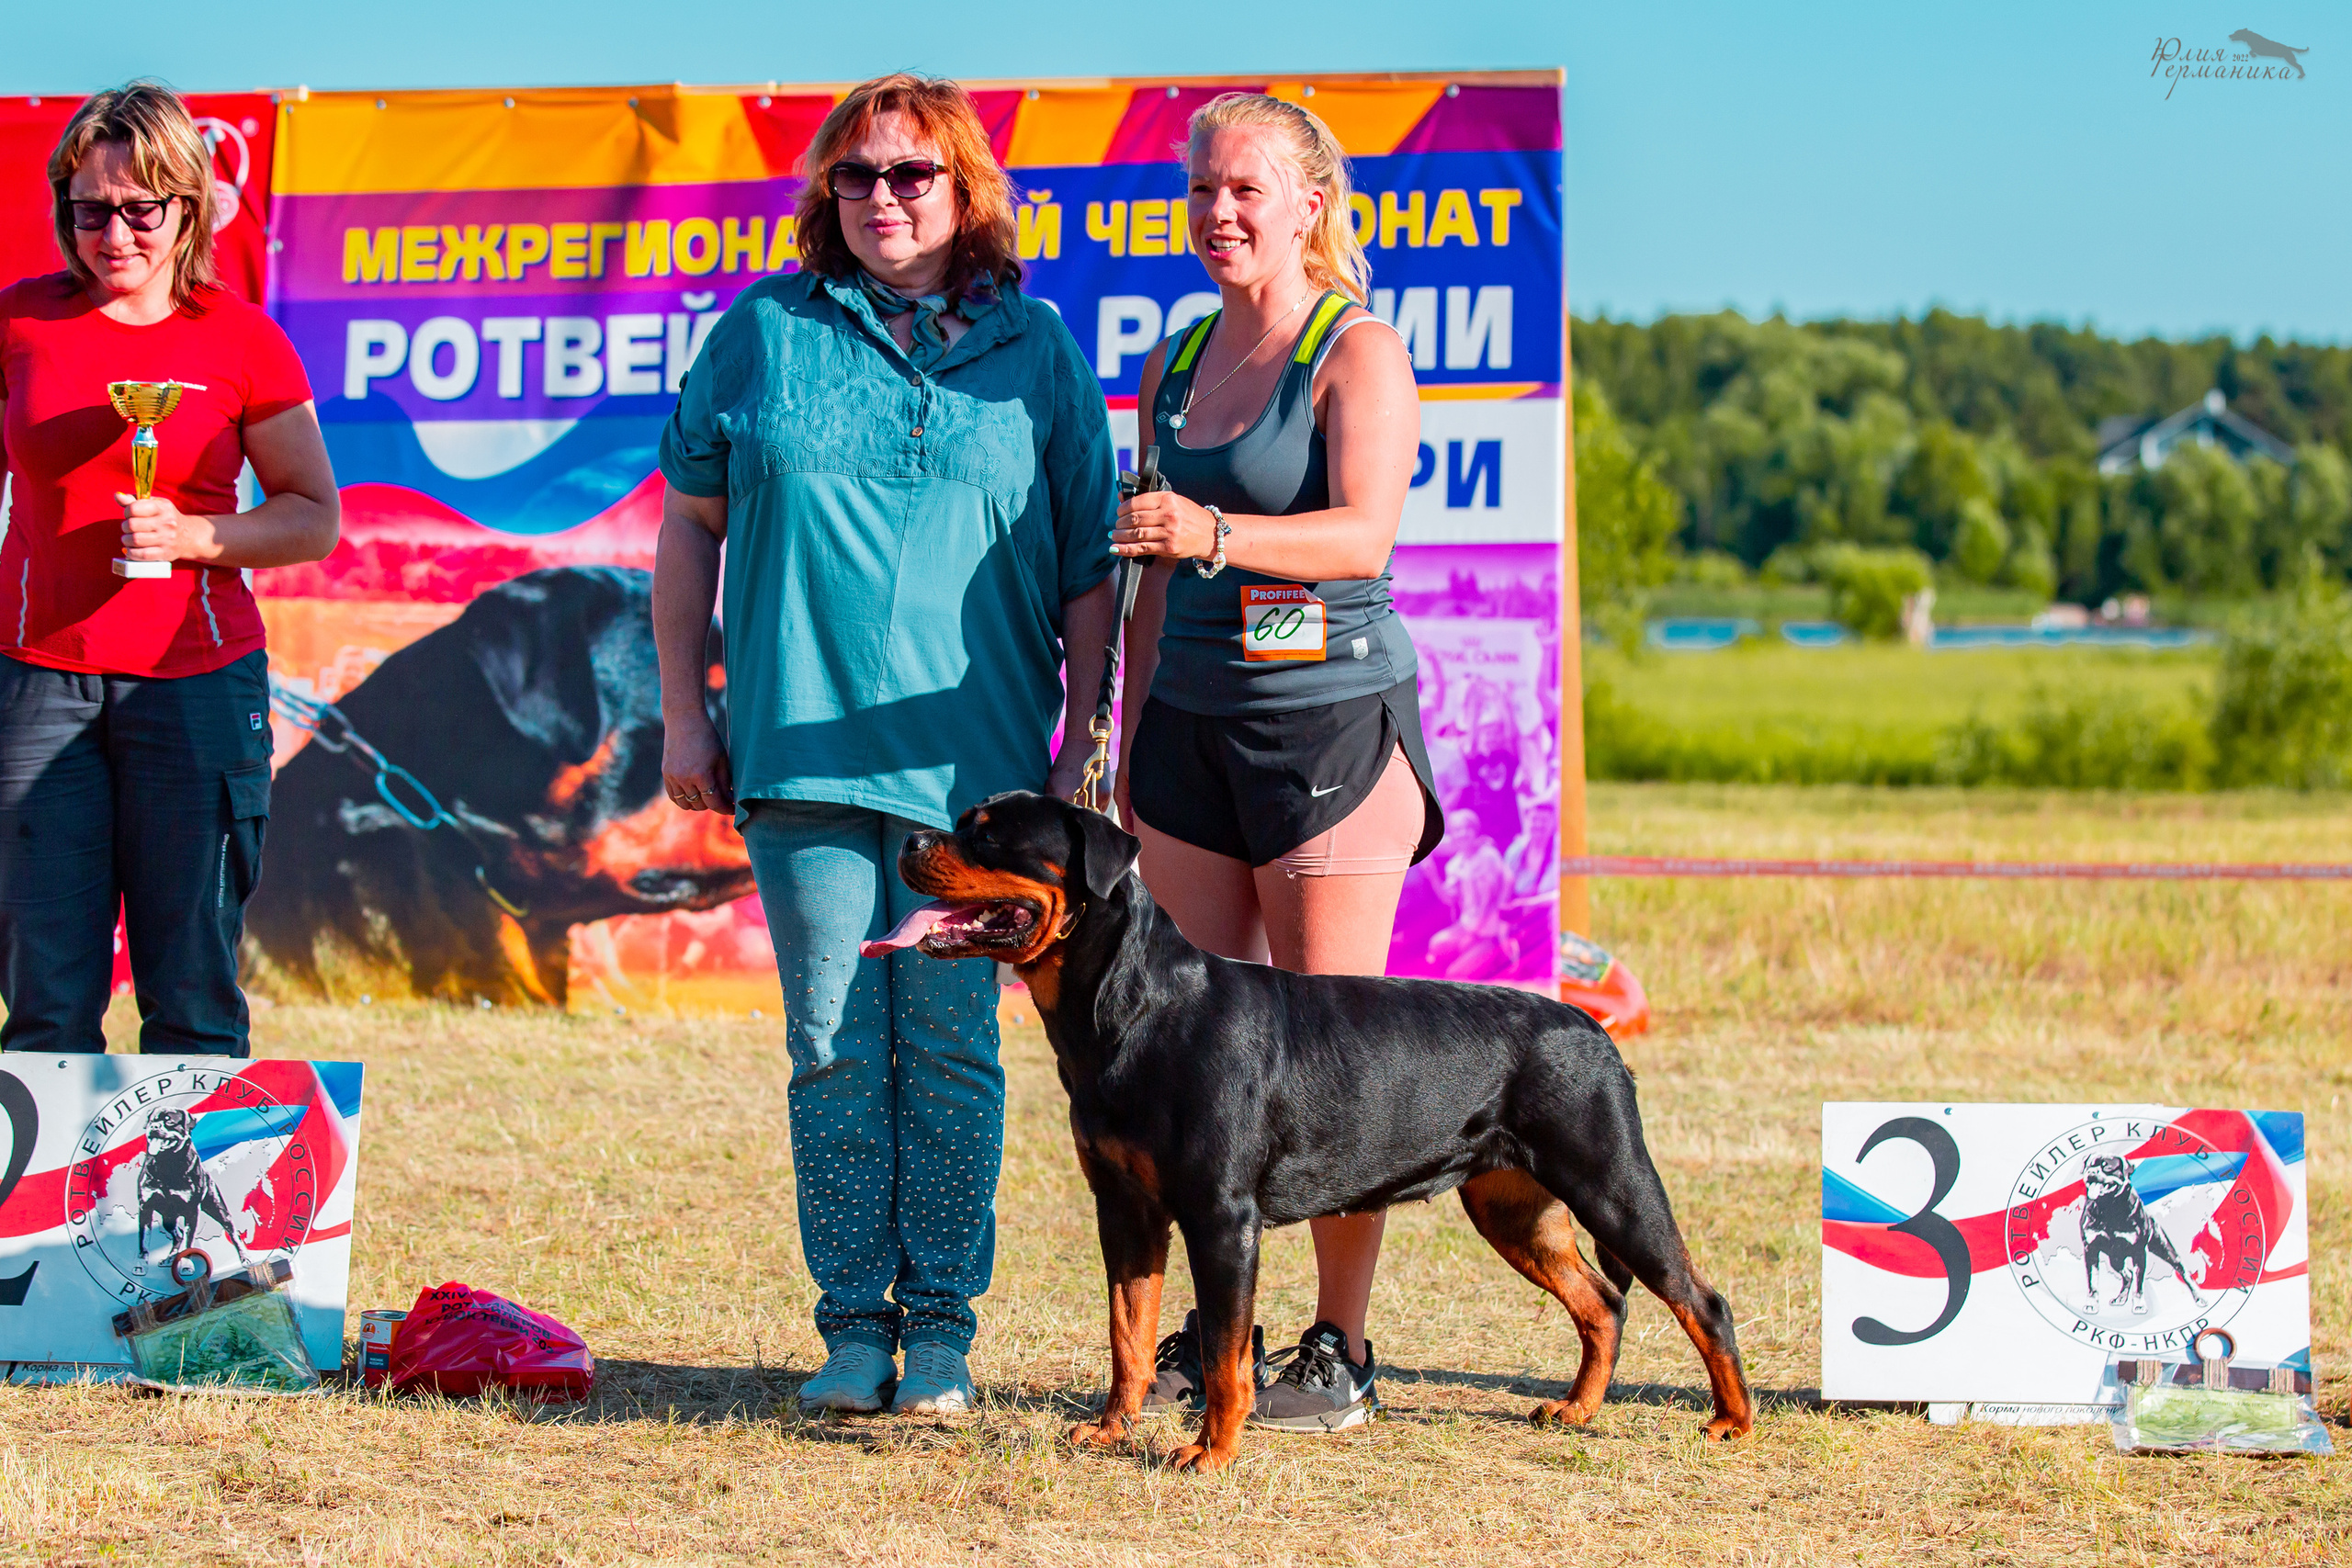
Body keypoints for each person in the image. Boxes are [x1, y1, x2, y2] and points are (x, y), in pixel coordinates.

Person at [653, 73, 1118, 1418]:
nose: (884, 199)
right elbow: (690, 523)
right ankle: (855, 1327)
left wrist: (1086, 732)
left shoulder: (1035, 350)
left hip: (976, 786)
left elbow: (1090, 562)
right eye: (857, 177)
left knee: (958, 1050)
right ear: (825, 196)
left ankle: (947, 1335)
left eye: (913, 175)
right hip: (797, 755)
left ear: (966, 191)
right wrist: (689, 708)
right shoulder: (765, 331)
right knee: (831, 1046)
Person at [1111, 92, 1440, 1433]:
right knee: (1186, 1055)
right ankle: (1208, 1335)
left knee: (1335, 1052)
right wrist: (1114, 727)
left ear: (1313, 203)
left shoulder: (1357, 350)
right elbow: (1147, 555)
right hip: (1187, 734)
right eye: (1201, 192)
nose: (1220, 213)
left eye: (1248, 189)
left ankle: (1339, 1350)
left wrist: (1217, 534)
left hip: (1327, 736)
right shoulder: (1175, 358)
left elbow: (1362, 538)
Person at [0, 81, 338, 1056]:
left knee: (190, 995)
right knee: (44, 1000)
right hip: (34, 681)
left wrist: (195, 538)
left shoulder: (243, 341)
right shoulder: (20, 325)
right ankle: (46, 1212)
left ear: (185, 205)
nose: (114, 233)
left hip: (195, 687)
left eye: (139, 208)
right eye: (90, 209)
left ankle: (183, 1213)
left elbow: (313, 518)